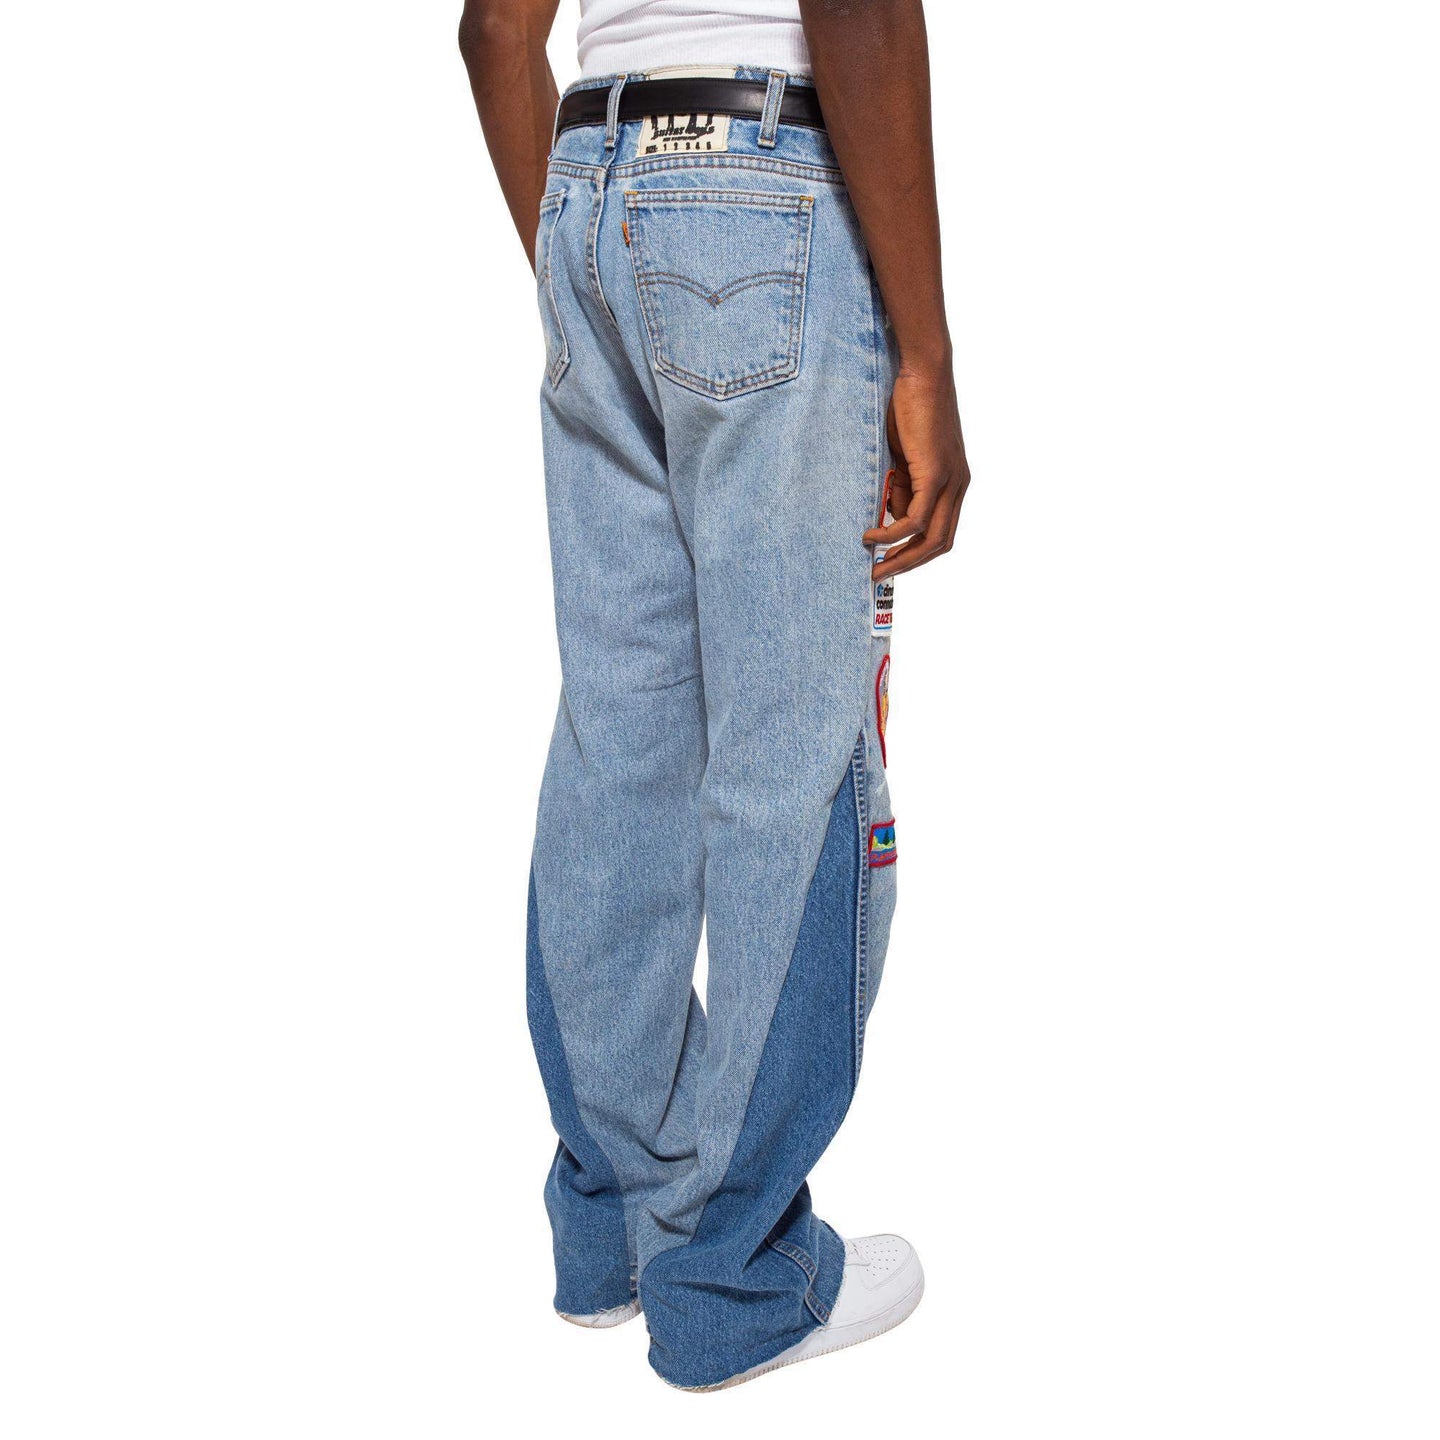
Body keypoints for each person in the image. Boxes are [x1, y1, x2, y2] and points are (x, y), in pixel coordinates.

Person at [459, 0, 970, 1391]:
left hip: (585, 182)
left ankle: (617, 1225)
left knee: (618, 740)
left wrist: (598, 261)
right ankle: (731, 1276)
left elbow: (496, 30)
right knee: (792, 755)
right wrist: (924, 357)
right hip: (760, 185)